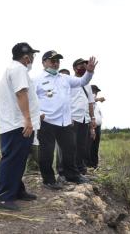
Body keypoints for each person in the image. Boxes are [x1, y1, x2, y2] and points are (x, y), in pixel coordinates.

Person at [34, 51, 98, 190]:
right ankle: (49, 180)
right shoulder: (37, 80)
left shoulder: (65, 78)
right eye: (52, 60)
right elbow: (30, 99)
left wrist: (90, 72)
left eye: (58, 61)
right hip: (47, 121)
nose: (56, 63)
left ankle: (72, 175)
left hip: (65, 121)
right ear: (44, 62)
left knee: (70, 149)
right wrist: (38, 113)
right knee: (47, 152)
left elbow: (83, 81)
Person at [0, 42, 40, 211]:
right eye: (32, 56)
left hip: (17, 124)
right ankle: (2, 198)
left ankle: (17, 190)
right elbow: (21, 93)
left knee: (19, 160)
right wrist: (27, 119)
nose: (33, 59)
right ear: (26, 57)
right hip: (17, 125)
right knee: (12, 160)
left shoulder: (15, 69)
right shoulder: (19, 69)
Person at [69, 58, 96, 175]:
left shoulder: (88, 85)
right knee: (71, 146)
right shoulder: (69, 81)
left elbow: (90, 103)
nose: (84, 67)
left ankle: (81, 169)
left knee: (82, 146)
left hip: (85, 119)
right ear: (75, 68)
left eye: (85, 65)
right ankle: (70, 170)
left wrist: (92, 119)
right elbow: (65, 101)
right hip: (73, 118)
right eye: (81, 65)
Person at [89, 85, 104, 169]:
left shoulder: (96, 105)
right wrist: (98, 99)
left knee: (95, 146)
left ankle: (95, 164)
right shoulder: (89, 101)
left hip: (98, 126)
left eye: (96, 92)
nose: (96, 93)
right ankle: (89, 164)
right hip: (91, 126)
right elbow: (90, 101)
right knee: (90, 146)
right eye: (94, 91)